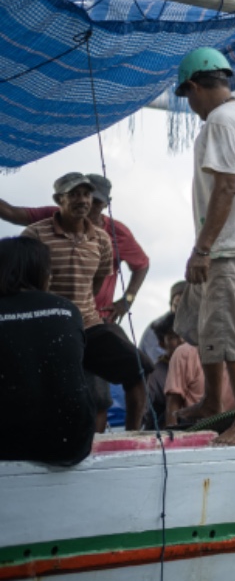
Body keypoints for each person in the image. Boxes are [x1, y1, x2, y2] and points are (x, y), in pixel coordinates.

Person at [174, 47, 235, 445]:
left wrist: (203, 248)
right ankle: (214, 402)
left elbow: (226, 187)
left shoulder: (219, 121)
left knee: (228, 332)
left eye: (188, 96)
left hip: (228, 246)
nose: (191, 105)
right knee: (201, 324)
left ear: (195, 87)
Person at [22, 174, 149, 434]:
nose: (83, 201)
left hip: (89, 323)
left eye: (87, 195)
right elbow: (25, 282)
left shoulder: (103, 238)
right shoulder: (35, 233)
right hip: (49, 327)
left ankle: (133, 436)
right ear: (59, 199)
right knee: (63, 393)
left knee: (139, 368)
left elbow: (97, 282)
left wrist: (127, 300)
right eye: (75, 194)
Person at [1, 173, 150, 326]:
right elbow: (12, 213)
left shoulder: (116, 233)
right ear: (62, 200)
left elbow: (142, 264)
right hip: (47, 315)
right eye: (76, 195)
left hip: (95, 318)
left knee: (124, 349)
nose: (86, 204)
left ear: (106, 204)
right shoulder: (51, 219)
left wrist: (127, 299)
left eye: (93, 199)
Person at [0, 237, 95, 464]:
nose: (51, 276)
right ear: (37, 271)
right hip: (70, 442)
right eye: (48, 270)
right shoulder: (65, 309)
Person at [155, 313, 235, 427]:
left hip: (226, 428)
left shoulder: (184, 352)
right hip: (197, 427)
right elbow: (173, 406)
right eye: (173, 337)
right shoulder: (183, 353)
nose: (180, 340)